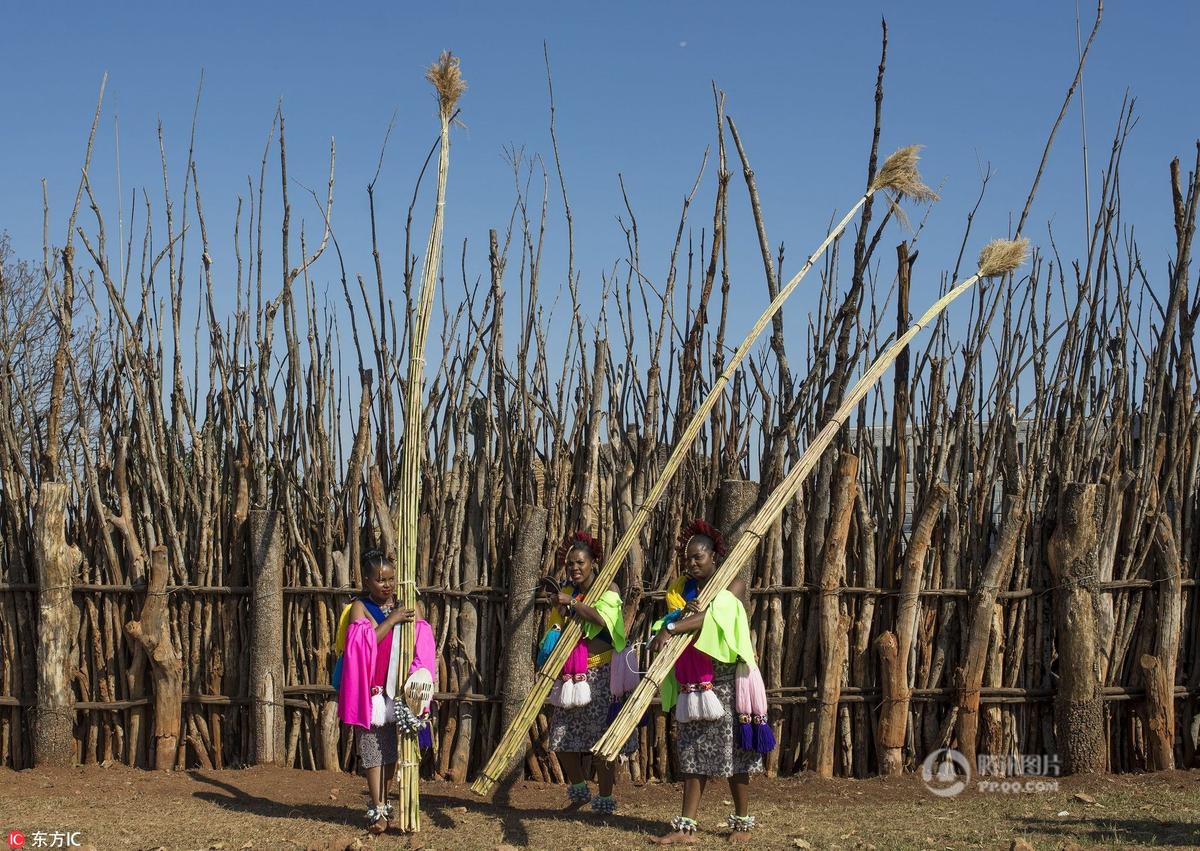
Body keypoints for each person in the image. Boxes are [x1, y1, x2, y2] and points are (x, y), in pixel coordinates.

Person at [648, 520, 775, 845]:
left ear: (714, 557)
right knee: (691, 751)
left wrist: (674, 628)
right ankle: (685, 827)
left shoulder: (733, 585)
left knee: (734, 755)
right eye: (688, 558)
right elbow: (671, 618)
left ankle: (742, 824)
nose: (691, 564)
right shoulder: (681, 589)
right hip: (693, 683)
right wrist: (670, 623)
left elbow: (713, 616)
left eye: (698, 558)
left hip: (725, 681)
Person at [335, 550, 437, 835]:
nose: (386, 585)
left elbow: (423, 639)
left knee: (391, 753)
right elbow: (361, 646)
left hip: (400, 694)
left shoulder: (406, 604)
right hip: (372, 694)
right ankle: (377, 808)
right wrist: (390, 621)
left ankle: (386, 806)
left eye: (390, 579)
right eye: (380, 580)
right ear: (367, 581)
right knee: (372, 753)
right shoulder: (360, 606)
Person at [538, 531, 639, 814]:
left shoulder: (610, 591)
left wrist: (572, 605)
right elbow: (558, 628)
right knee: (562, 736)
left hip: (603, 674)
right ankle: (580, 791)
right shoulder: (567, 592)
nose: (574, 568)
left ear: (594, 562)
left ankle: (605, 799)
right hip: (572, 674)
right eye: (570, 564)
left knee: (602, 742)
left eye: (580, 562)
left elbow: (604, 621)